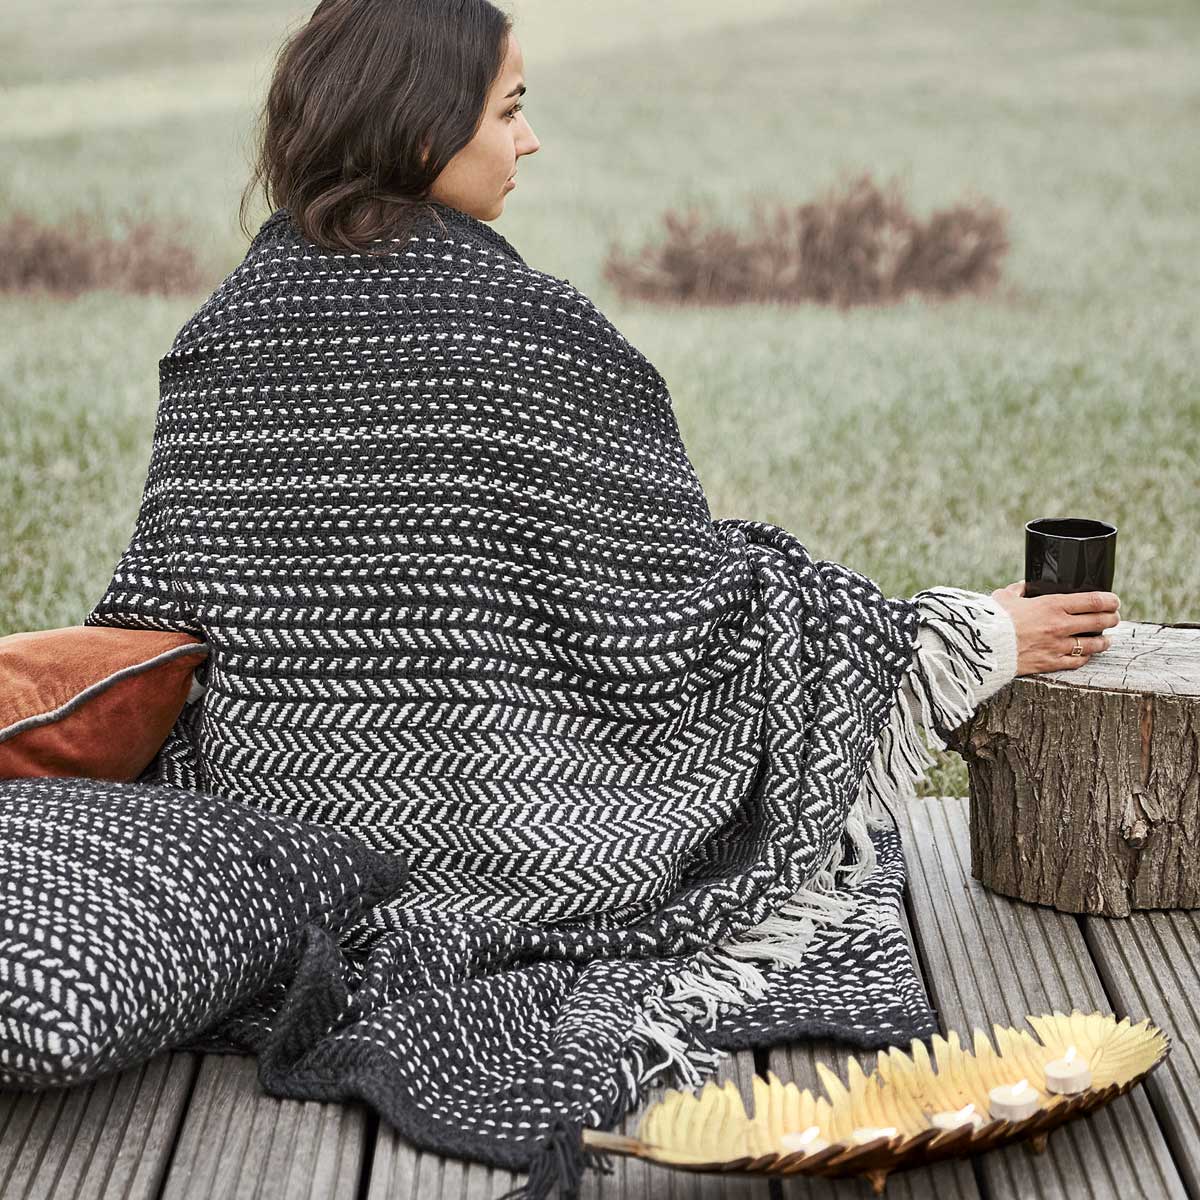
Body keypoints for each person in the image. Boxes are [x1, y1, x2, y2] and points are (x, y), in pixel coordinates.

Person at [81, 1, 1121, 1193]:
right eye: (511, 109)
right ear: (423, 125)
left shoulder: (222, 336)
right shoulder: (537, 335)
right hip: (537, 839)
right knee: (775, 582)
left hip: (284, 854)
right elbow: (695, 616)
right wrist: (964, 637)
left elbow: (156, 627)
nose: (531, 143)